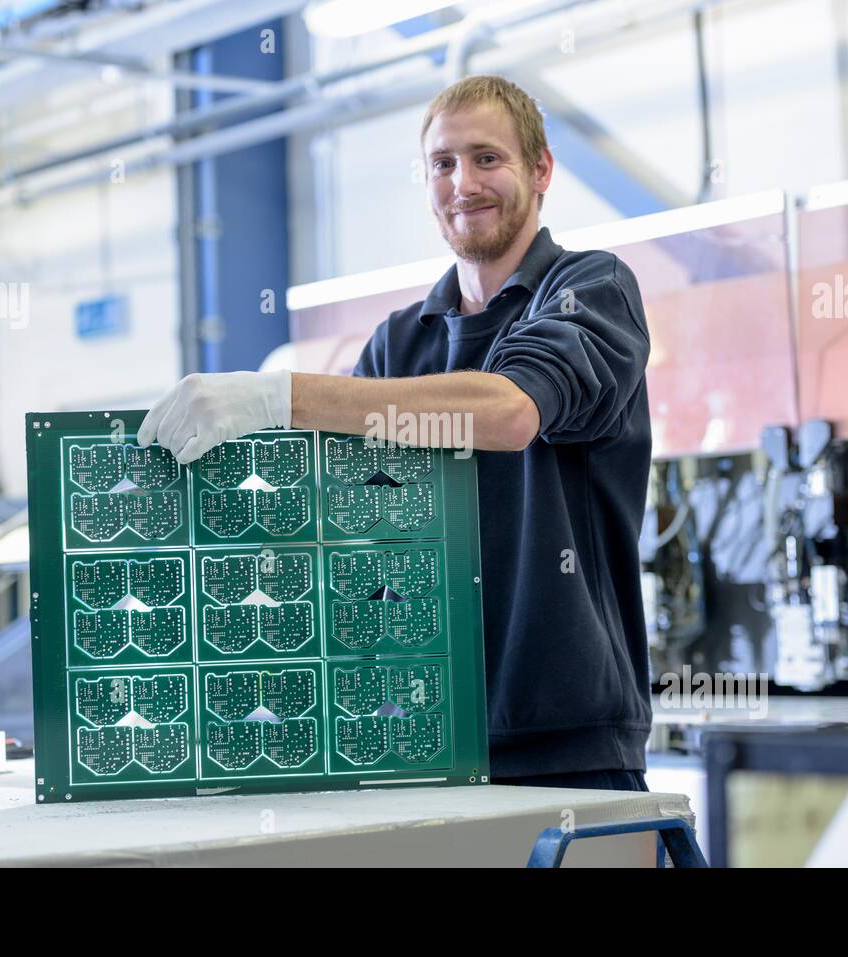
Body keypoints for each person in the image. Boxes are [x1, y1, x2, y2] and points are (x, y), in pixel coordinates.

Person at [139, 74, 653, 792]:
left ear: (541, 171)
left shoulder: (589, 289)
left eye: (487, 158)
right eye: (443, 163)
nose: (463, 183)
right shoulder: (398, 344)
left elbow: (510, 413)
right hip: (415, 740)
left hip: (566, 750)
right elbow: (343, 528)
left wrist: (275, 395)